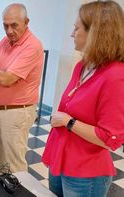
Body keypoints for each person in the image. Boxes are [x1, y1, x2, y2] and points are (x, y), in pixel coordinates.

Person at [42, 1, 124, 196]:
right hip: (60, 158)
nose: (72, 34)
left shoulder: (115, 76)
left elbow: (110, 139)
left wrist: (68, 122)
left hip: (84, 171)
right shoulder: (83, 66)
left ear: (95, 34)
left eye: (76, 28)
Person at [0, 3, 44, 173]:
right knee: (0, 165)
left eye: (14, 25)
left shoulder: (32, 46)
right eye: (5, 25)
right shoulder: (6, 40)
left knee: (15, 168)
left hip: (16, 112)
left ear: (26, 22)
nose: (9, 30)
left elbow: (6, 78)